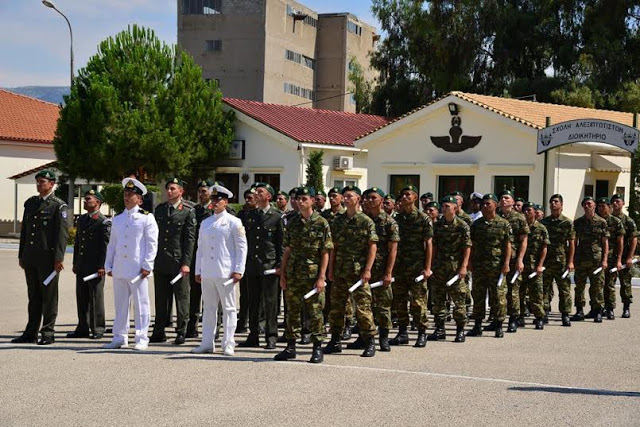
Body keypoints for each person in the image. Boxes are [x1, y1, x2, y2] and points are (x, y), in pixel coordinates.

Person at [274, 187, 332, 363]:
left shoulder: (321, 223)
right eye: (298, 199)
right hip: (294, 274)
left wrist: (322, 277)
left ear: (313, 200)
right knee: (292, 312)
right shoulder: (293, 223)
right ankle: (290, 347)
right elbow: (287, 250)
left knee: (315, 312)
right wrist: (283, 274)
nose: (300, 202)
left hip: (313, 276)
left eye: (304, 199)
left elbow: (325, 252)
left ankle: (317, 348)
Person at [13, 170, 69, 345]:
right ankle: (31, 332)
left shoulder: (58, 206)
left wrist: (59, 259)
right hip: (31, 258)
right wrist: (21, 255)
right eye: (37, 182)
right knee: (34, 296)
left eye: (42, 182)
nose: (39, 185)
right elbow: (25, 232)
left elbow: (62, 235)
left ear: (52, 184)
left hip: (48, 260)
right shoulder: (30, 203)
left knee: (49, 298)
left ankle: (48, 332)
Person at [103, 178, 158, 350]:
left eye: (131, 194)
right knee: (120, 305)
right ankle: (119, 337)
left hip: (137, 268)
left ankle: (141, 338)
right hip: (120, 267)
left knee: (141, 304)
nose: (127, 197)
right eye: (126, 194)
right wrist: (108, 264)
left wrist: (147, 265)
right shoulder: (118, 219)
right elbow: (112, 244)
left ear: (139, 199)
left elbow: (152, 244)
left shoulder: (147, 218)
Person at [192, 184, 248, 355]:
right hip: (208, 271)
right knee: (208, 308)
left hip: (226, 271)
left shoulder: (234, 222)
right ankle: (207, 342)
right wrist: (198, 270)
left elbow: (241, 247)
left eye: (219, 200)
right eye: (213, 199)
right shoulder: (205, 223)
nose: (215, 202)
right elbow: (200, 248)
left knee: (229, 308)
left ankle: (228, 342)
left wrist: (239, 269)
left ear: (226, 202)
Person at [324, 186, 379, 357]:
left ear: (358, 199)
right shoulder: (338, 221)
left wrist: (367, 270)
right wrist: (330, 269)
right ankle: (335, 340)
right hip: (340, 270)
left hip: (358, 272)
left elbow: (372, 247)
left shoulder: (366, 221)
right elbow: (334, 247)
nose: (346, 199)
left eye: (349, 196)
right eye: (344, 196)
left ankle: (369, 341)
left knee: (363, 308)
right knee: (337, 308)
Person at [150, 178, 196, 345]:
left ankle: (181, 331)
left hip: (178, 262)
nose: (169, 192)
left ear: (181, 192)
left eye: (172, 189)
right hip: (161, 260)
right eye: (167, 189)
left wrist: (186, 263)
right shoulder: (160, 210)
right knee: (161, 298)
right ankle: (159, 331)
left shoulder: (188, 211)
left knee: (182, 298)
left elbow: (189, 240)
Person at [239, 182, 283, 349]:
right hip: (252, 265)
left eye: (260, 192)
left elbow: (281, 244)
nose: (256, 194)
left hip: (269, 265)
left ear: (268, 196)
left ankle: (271, 336)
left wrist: (279, 265)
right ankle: (254, 335)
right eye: (255, 192)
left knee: (270, 303)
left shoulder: (277, 216)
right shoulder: (250, 215)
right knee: (253, 302)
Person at [389, 185, 433, 348]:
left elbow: (428, 244)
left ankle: (422, 333)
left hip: (417, 267)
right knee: (399, 301)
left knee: (418, 302)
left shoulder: (423, 219)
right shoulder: (397, 219)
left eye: (408, 194)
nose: (405, 197)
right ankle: (402, 333)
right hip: (400, 267)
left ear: (415, 197)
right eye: (403, 195)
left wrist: (427, 267)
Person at [359, 187, 399, 351]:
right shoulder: (364, 220)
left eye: (373, 198)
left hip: (381, 269)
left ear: (381, 201)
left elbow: (393, 250)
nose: (369, 201)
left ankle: (384, 338)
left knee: (382, 306)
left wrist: (388, 273)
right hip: (365, 268)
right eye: (367, 198)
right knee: (364, 306)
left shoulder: (389, 222)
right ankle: (366, 338)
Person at [467, 193, 511, 338]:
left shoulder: (503, 224)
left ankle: (498, 325)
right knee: (478, 295)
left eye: (488, 204)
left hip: (496, 266)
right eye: (483, 204)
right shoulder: (477, 224)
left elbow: (507, 245)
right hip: (479, 266)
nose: (485, 206)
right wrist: (470, 262)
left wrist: (506, 264)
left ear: (496, 205)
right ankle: (477, 325)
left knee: (498, 296)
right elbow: (471, 245)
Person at [68, 189, 110, 340]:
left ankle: (98, 328)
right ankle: (82, 327)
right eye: (85, 199)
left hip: (95, 266)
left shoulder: (103, 222)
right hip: (82, 264)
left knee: (95, 297)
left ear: (97, 202)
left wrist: (102, 266)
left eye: (88, 199)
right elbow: (78, 243)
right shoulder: (82, 220)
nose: (85, 202)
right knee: (82, 296)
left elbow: (104, 246)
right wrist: (75, 262)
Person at [429, 196, 471, 343]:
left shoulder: (462, 225)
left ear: (454, 208)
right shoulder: (437, 225)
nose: (444, 208)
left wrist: (464, 267)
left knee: (459, 301)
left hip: (455, 269)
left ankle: (460, 330)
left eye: (447, 206)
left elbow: (467, 247)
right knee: (438, 300)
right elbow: (433, 246)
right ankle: (440, 329)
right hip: (439, 268)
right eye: (443, 206)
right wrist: (430, 265)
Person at [572, 196, 608, 323]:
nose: (587, 206)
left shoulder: (602, 222)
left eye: (589, 204)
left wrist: (604, 260)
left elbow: (605, 243)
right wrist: (572, 260)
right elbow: (574, 242)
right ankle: (579, 310)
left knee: (597, 286)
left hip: (596, 260)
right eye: (585, 204)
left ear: (594, 206)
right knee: (579, 286)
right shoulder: (577, 223)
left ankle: (597, 311)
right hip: (581, 259)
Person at [540, 194, 575, 326]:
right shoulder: (544, 222)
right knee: (544, 288)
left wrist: (571, 261)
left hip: (561, 261)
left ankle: (565, 314)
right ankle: (544, 313)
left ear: (561, 205)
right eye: (551, 202)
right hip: (547, 261)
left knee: (564, 289)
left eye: (556, 202)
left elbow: (572, 243)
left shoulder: (567, 223)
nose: (553, 204)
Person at [187, 180, 215, 338]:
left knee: (210, 296)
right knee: (194, 294)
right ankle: (192, 326)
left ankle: (211, 328)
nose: (201, 194)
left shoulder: (214, 210)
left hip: (210, 257)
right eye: (200, 191)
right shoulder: (194, 210)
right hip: (195, 257)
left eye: (204, 191)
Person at [498, 190, 529, 333]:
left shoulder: (519, 218)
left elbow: (524, 240)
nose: (504, 200)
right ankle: (497, 319)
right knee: (498, 292)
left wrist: (520, 259)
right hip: (497, 259)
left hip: (513, 259)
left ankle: (513, 319)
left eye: (507, 198)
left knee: (513, 291)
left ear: (512, 201)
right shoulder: (496, 216)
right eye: (502, 198)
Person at [520, 202, 549, 329]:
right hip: (521, 266)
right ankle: (519, 317)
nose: (527, 212)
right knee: (519, 293)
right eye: (525, 210)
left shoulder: (541, 228)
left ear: (535, 212)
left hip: (534, 266)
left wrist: (540, 265)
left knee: (536, 293)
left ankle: (539, 317)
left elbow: (544, 248)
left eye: (530, 210)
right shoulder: (520, 227)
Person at [596, 197, 624, 320]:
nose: (602, 208)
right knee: (598, 284)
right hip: (597, 258)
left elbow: (620, 242)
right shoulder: (595, 220)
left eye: (604, 206)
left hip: (612, 257)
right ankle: (598, 308)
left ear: (609, 207)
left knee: (609, 285)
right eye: (600, 206)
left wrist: (619, 260)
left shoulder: (616, 221)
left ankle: (610, 308)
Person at [610, 193, 638, 318]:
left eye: (618, 201)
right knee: (609, 283)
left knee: (625, 282)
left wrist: (630, 257)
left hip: (625, 255)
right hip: (611, 256)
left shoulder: (628, 221)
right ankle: (609, 307)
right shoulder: (608, 219)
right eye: (614, 202)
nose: (616, 204)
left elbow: (634, 239)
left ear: (623, 204)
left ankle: (626, 308)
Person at [236, 188, 257, 333]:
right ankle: (242, 322)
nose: (248, 200)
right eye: (247, 198)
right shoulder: (241, 215)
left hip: (256, 259)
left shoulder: (260, 215)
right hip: (244, 259)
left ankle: (258, 324)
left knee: (257, 297)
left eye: (251, 197)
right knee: (244, 294)